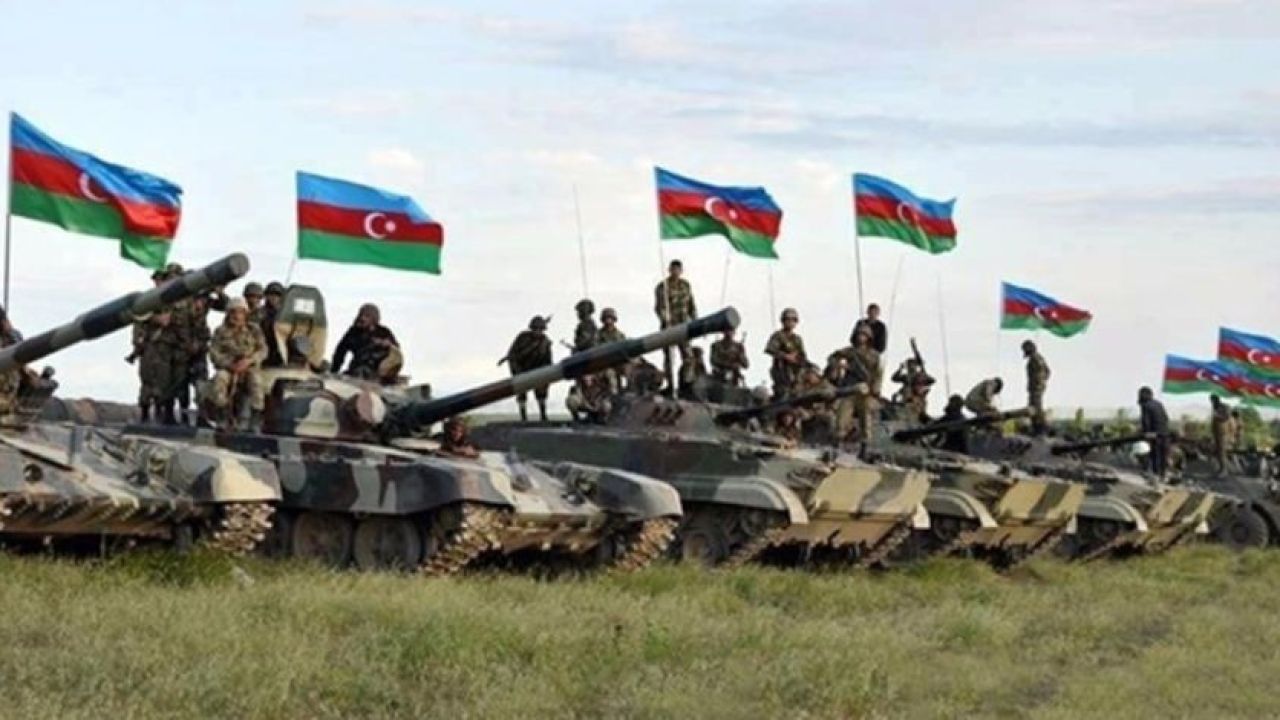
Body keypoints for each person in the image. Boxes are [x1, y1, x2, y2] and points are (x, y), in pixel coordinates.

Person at [206, 298, 268, 426]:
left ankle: (256, 418)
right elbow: (214, 353)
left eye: (240, 312)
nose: (236, 316)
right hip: (229, 368)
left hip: (249, 367)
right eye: (233, 312)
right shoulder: (220, 331)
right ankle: (222, 415)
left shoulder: (254, 330)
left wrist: (249, 361)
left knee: (256, 381)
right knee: (220, 378)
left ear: (245, 314)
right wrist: (230, 364)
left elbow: (263, 350)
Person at [833, 326, 882, 443]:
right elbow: (833, 357)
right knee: (842, 417)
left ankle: (865, 444)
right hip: (850, 389)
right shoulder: (849, 351)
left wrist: (875, 389)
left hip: (865, 390)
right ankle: (839, 440)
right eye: (859, 334)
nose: (861, 337)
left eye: (864, 335)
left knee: (866, 418)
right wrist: (841, 366)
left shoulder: (874, 355)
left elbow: (877, 373)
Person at [331, 303, 402, 383]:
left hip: (379, 374)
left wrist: (388, 344)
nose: (362, 318)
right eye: (361, 315)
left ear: (374, 319)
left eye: (367, 316)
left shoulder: (383, 332)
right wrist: (334, 371)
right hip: (357, 371)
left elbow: (396, 353)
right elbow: (340, 352)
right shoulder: (354, 332)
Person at [502, 316, 553, 422]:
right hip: (522, 369)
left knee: (541, 393)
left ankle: (543, 415)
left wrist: (546, 375)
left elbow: (548, 360)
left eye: (540, 329)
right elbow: (513, 355)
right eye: (536, 329)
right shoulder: (522, 338)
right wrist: (517, 373)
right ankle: (523, 417)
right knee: (521, 393)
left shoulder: (545, 342)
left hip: (538, 371)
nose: (538, 331)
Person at [654, 259, 697, 385]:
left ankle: (686, 382)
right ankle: (670, 383)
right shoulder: (663, 286)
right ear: (669, 270)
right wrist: (665, 318)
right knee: (669, 357)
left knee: (688, 356)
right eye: (673, 269)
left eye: (678, 269)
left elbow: (691, 304)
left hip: (683, 326)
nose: (675, 272)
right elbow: (659, 307)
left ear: (681, 271)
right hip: (669, 326)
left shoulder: (685, 285)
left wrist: (694, 319)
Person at [765, 308, 806, 399]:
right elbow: (770, 349)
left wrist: (796, 359)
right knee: (782, 395)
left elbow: (803, 356)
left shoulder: (797, 339)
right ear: (783, 321)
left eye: (793, 320)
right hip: (781, 372)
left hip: (795, 373)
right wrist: (785, 356)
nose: (790, 322)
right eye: (787, 319)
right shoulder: (778, 336)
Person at [1138, 386, 1170, 478]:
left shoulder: (1146, 405)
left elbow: (1146, 422)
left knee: (1154, 454)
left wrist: (1145, 433)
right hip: (1164, 432)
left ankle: (1156, 474)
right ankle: (1163, 474)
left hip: (1154, 434)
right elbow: (1166, 418)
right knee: (1163, 455)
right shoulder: (1159, 404)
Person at [891, 357, 935, 423]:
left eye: (912, 364)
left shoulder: (920, 375)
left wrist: (923, 370)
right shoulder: (906, 376)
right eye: (909, 365)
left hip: (918, 399)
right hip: (907, 398)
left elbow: (932, 381)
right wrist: (900, 369)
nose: (911, 366)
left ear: (916, 366)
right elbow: (894, 378)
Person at [1023, 340, 1051, 434]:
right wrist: (1043, 382)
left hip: (1035, 387)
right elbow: (1048, 372)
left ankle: (1039, 428)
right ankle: (1039, 426)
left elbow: (1044, 373)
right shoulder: (1040, 358)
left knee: (1034, 407)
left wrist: (1038, 383)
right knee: (1037, 406)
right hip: (1038, 387)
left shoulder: (1034, 359)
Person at [260, 282, 286, 368]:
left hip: (282, 350)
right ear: (266, 296)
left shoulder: (285, 315)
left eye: (278, 295)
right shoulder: (259, 313)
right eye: (271, 294)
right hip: (263, 348)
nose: (274, 297)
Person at [1210, 395, 1231, 473]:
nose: (1212, 402)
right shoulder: (1215, 407)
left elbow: (1227, 416)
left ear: (1217, 399)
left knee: (1222, 452)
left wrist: (1218, 416)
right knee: (1217, 452)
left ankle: (1224, 470)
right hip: (1216, 432)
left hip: (1222, 433)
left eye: (1213, 400)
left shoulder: (1224, 407)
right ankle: (1220, 468)